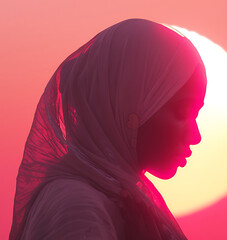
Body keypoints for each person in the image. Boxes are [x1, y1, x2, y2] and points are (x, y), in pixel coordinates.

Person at [9, 18, 207, 240]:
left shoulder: (117, 197)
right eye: (181, 112)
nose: (195, 136)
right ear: (128, 106)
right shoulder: (78, 208)